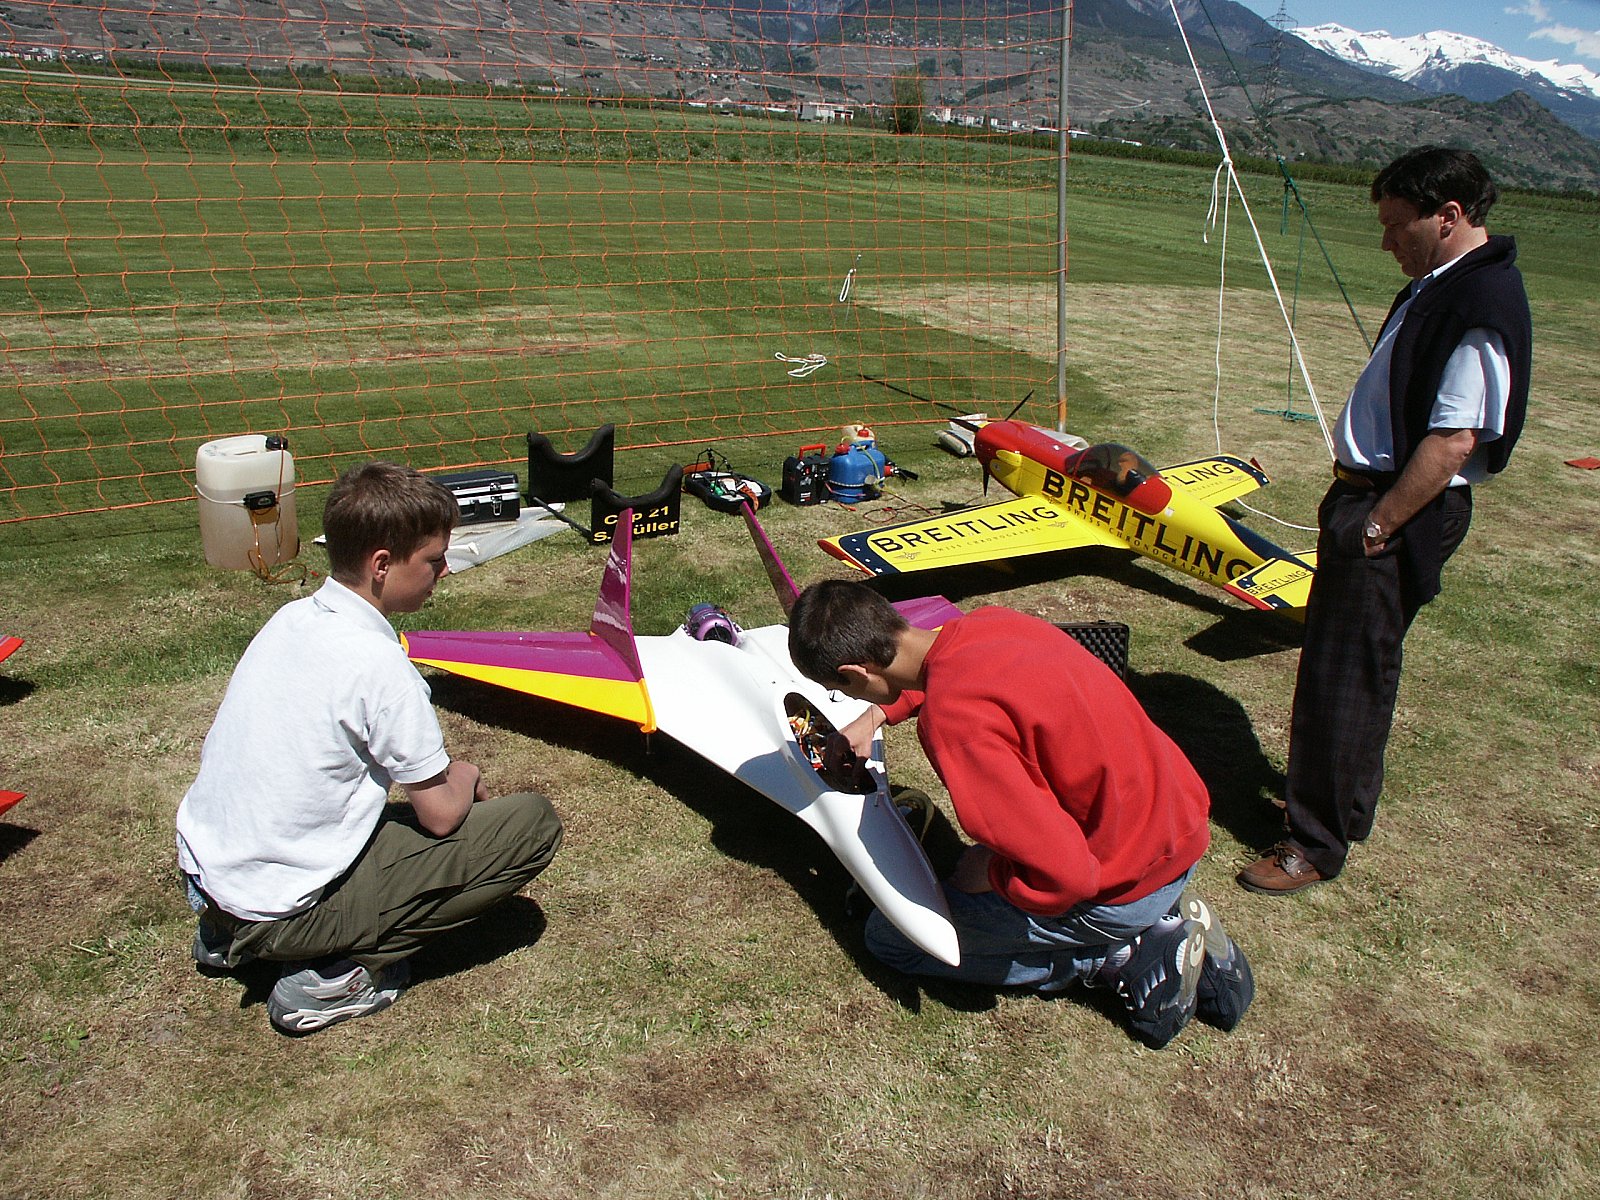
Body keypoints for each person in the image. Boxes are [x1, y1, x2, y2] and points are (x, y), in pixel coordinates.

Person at [176, 461, 564, 1033]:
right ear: (381, 565)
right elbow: (440, 815)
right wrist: (465, 772)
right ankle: (335, 977)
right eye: (433, 560)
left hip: (208, 877)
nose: (444, 570)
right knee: (530, 823)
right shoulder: (380, 666)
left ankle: (225, 931)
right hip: (276, 908)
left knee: (382, 821)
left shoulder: (290, 620)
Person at [1239, 146, 1531, 896]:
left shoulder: (1479, 301)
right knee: (1353, 669)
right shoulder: (1441, 284)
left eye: (1399, 225)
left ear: (1449, 216)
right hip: (1371, 499)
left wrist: (1378, 525)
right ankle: (1342, 810)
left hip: (1395, 508)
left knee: (1342, 680)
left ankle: (1313, 844)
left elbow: (1456, 438)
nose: (1387, 241)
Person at [787, 580, 1253, 1049]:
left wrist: (992, 874)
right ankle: (1162, 914)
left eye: (840, 690)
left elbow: (1065, 877)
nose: (849, 699)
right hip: (1175, 829)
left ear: (855, 671)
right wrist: (873, 717)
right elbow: (952, 670)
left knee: (889, 938)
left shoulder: (954, 723)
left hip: (1120, 887)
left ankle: (1122, 954)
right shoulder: (993, 623)